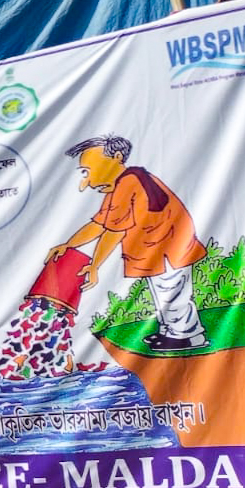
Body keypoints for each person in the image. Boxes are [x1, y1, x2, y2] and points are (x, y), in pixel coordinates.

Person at [47, 135, 208, 353]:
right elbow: (99, 224)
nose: (88, 177)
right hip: (157, 248)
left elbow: (114, 231)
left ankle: (188, 336)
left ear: (116, 157)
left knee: (171, 292)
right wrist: (69, 245)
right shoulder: (122, 184)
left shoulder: (128, 183)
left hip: (168, 248)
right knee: (164, 292)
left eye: (90, 168)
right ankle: (170, 332)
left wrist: (95, 266)